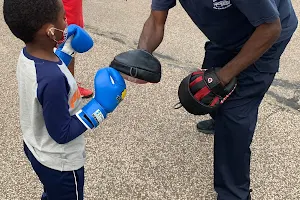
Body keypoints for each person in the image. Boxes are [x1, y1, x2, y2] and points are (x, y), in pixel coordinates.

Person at [136, 0, 298, 199]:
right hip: (228, 36)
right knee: (210, 81)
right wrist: (141, 57)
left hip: (268, 32)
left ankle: (234, 194)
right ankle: (218, 118)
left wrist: (222, 77)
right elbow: (155, 20)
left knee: (235, 113)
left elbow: (271, 28)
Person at [3, 0, 126, 199]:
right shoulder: (52, 80)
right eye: (63, 18)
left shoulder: (29, 55)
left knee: (53, 193)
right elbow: (62, 133)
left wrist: (67, 48)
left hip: (36, 147)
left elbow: (50, 68)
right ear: (51, 31)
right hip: (60, 163)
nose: (67, 22)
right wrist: (100, 107)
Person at [62, 0, 94, 98]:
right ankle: (70, 89)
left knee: (69, 54)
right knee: (67, 54)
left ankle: (69, 85)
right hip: (66, 22)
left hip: (72, 20)